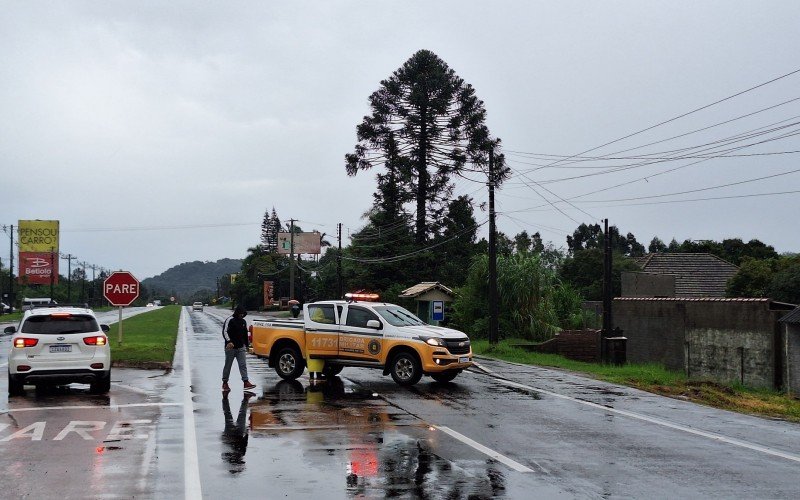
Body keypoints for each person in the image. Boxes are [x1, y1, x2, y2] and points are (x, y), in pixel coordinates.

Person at [222, 305, 256, 393]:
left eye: (243, 314)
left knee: (243, 365)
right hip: (230, 347)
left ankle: (246, 382)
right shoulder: (230, 320)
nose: (242, 315)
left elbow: (245, 334)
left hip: (241, 347)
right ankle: (225, 382)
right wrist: (229, 341)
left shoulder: (243, 321)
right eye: (240, 313)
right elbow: (224, 331)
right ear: (237, 312)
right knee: (228, 365)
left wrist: (248, 346)